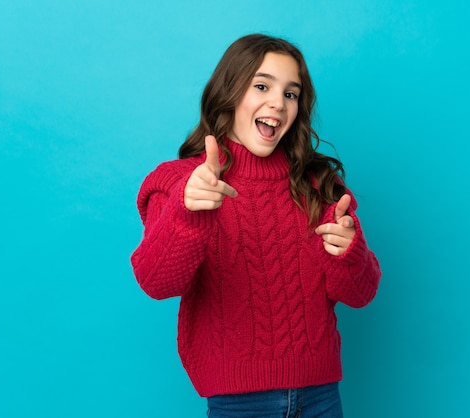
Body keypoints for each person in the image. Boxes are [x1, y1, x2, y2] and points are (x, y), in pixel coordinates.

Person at [131, 33, 381, 418]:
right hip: (237, 404)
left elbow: (361, 293)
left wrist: (349, 252)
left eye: (291, 94)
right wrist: (186, 212)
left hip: (322, 397)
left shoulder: (318, 183)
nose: (277, 104)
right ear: (229, 92)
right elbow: (156, 281)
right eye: (262, 86)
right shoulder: (180, 181)